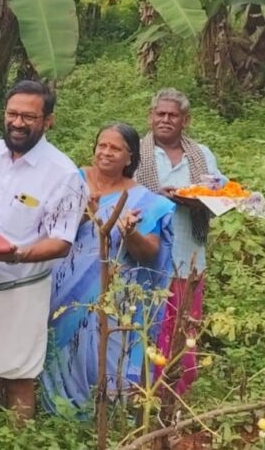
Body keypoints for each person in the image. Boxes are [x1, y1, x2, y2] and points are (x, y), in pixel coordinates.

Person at [0, 80, 86, 427]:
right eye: (13, 114)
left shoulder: (64, 173)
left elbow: (61, 241)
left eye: (29, 116)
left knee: (18, 373)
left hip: (19, 288)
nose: (18, 123)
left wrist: (14, 255)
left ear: (48, 121)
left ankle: (17, 440)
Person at [41, 123, 175, 413]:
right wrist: (82, 215)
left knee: (103, 353)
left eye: (116, 148)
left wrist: (130, 232)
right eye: (102, 145)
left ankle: (101, 416)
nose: (106, 152)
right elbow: (48, 228)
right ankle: (55, 413)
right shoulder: (72, 181)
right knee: (59, 347)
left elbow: (150, 254)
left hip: (112, 299)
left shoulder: (146, 201)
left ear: (130, 157)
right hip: (62, 290)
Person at [133, 88, 226, 395]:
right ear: (150, 117)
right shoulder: (135, 151)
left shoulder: (202, 154)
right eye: (160, 114)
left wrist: (198, 200)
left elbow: (221, 194)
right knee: (143, 328)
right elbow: (121, 191)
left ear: (186, 120)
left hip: (189, 257)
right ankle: (140, 395)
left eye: (173, 115)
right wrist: (152, 199)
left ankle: (176, 395)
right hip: (144, 258)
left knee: (183, 329)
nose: (165, 120)